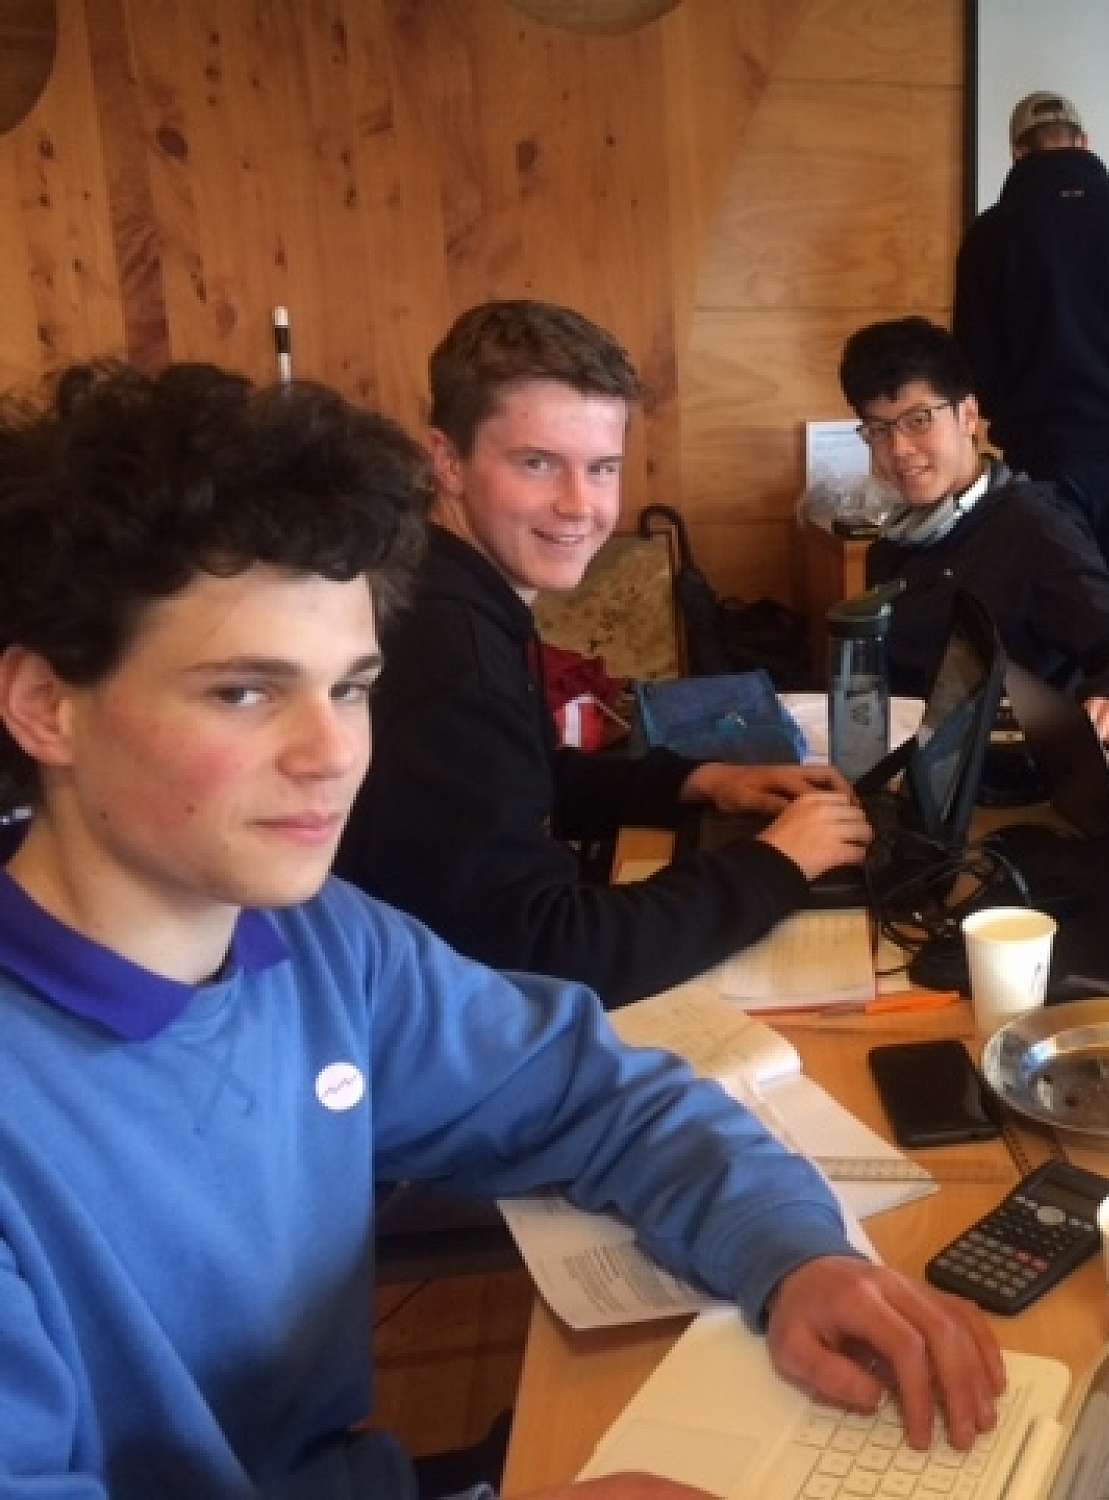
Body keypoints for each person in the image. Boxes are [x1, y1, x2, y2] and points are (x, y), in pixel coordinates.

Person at [0, 363, 1002, 1500]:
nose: (333, 755)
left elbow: (600, 1097)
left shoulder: (325, 946)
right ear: (44, 705)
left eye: (350, 688)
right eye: (243, 692)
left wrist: (794, 1251)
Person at [337, 301, 871, 1007]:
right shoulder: (451, 655)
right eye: (537, 464)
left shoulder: (451, 586)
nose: (578, 505)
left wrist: (702, 781)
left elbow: (525, 778)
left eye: (602, 468)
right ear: (448, 462)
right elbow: (552, 954)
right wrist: (776, 863)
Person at [839, 316, 1109, 748]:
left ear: (968, 415)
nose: (899, 449)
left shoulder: (1033, 531)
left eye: (919, 420)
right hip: (917, 760)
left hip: (1006, 767)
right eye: (878, 430)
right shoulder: (893, 546)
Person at [953, 91, 1109, 586]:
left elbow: (971, 361)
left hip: (1038, 453)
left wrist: (1014, 410)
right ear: (1084, 142)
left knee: (1050, 597)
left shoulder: (990, 234)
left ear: (1018, 153)